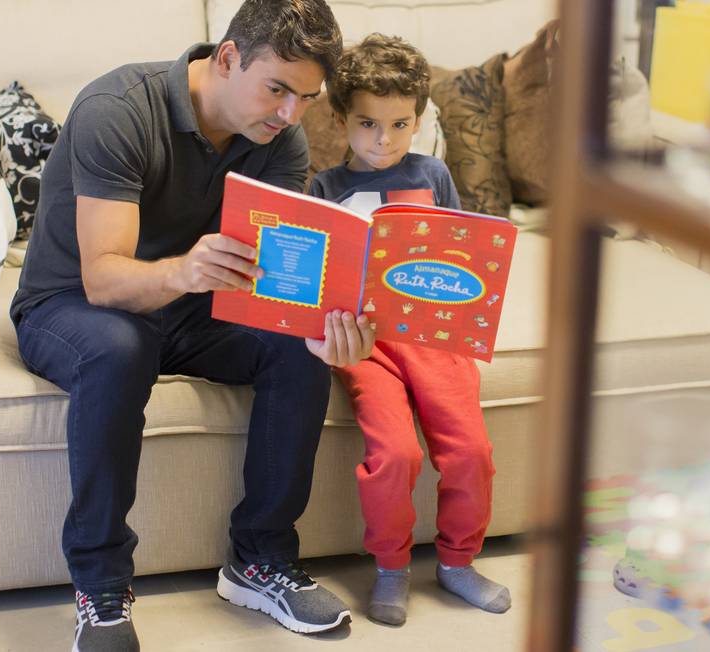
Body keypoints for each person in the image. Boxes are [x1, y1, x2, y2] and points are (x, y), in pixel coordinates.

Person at [10, 1, 375, 649]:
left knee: (300, 349)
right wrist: (185, 271)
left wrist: (323, 328)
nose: (292, 114)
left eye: (307, 98)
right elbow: (104, 279)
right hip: (72, 306)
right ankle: (99, 585)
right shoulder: (118, 109)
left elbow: (271, 285)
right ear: (228, 57)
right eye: (278, 89)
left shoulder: (279, 140)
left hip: (195, 303)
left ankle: (259, 559)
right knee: (124, 347)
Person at [307, 33, 511, 627]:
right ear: (342, 118)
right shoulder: (324, 187)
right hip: (366, 347)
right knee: (394, 454)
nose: (383, 140)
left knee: (471, 451)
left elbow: (461, 258)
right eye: (368, 123)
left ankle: (457, 563)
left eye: (400, 125)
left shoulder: (434, 174)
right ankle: (392, 569)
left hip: (433, 338)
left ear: (419, 122)